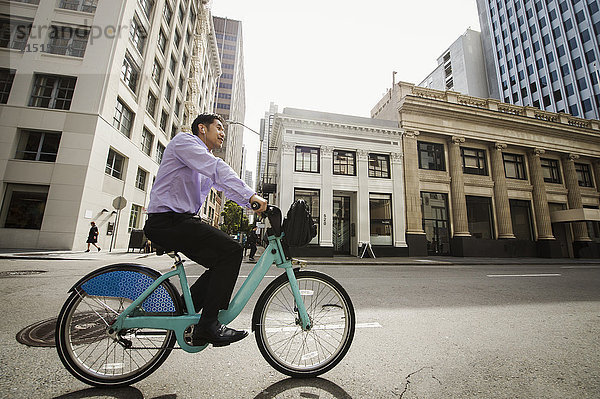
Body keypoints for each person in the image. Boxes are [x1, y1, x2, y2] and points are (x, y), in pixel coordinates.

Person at [143, 113, 267, 347]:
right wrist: (252, 195)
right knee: (231, 251)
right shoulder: (186, 143)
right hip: (168, 221)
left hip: (179, 221)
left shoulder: (203, 158)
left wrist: (251, 204)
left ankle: (181, 312)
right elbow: (217, 169)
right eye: (218, 128)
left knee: (222, 260)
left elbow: (225, 188)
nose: (222, 133)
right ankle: (208, 325)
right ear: (202, 128)